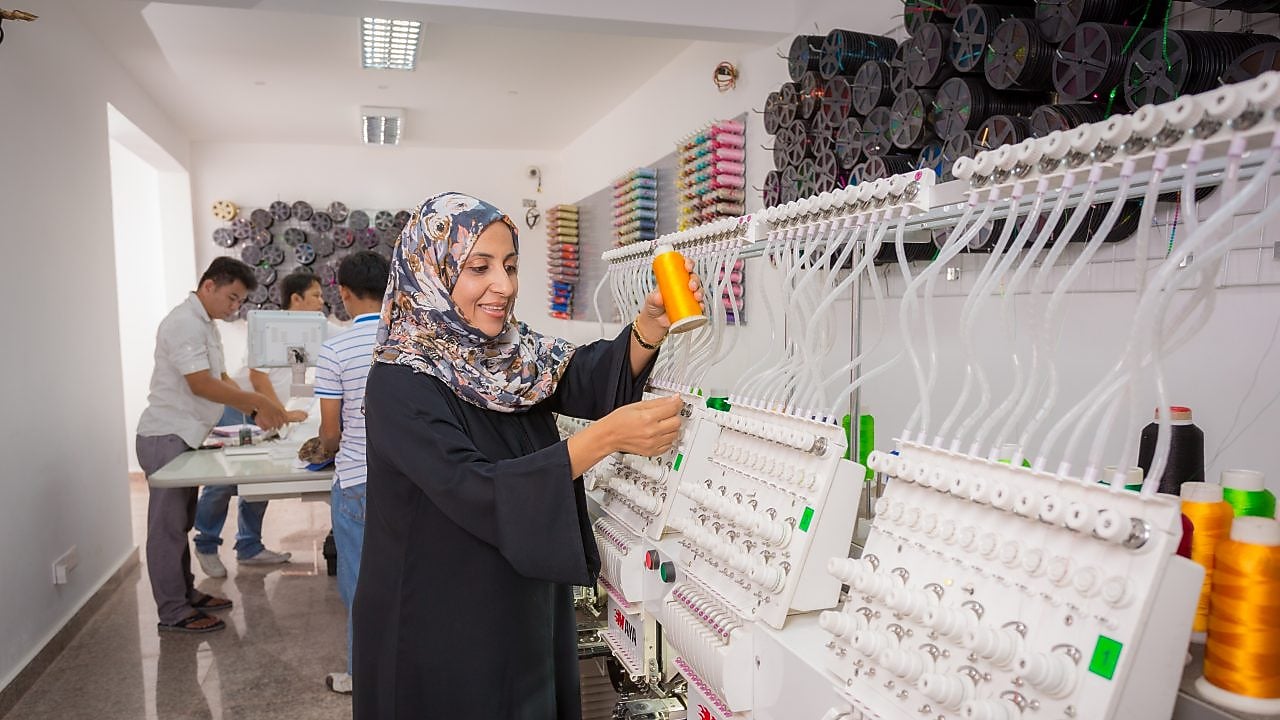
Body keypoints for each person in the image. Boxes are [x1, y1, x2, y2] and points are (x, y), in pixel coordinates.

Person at [352, 193, 698, 718]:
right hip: (440, 617)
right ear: (432, 271)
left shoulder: (508, 357)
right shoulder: (400, 384)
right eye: (478, 267)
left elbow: (579, 375)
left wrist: (647, 330)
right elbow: (476, 488)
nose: (504, 286)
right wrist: (603, 438)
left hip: (520, 597)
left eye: (511, 266)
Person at [136, 257, 288, 634]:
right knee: (167, 528)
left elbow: (221, 378)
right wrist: (260, 403)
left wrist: (256, 410)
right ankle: (173, 610)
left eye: (240, 301)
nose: (234, 307)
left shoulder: (205, 324)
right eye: (232, 297)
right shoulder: (183, 323)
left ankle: (186, 594)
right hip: (165, 435)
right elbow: (201, 384)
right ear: (209, 286)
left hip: (186, 436)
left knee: (180, 523)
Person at [192, 271, 323, 578]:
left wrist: (299, 412)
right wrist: (280, 413)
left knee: (260, 476)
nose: (321, 301)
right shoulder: (270, 328)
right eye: (316, 295)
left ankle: (249, 546)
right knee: (222, 480)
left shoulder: (304, 332)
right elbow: (258, 377)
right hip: (237, 409)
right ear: (296, 298)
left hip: (268, 411)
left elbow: (298, 378)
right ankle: (206, 543)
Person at [311, 251, 391, 695]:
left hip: (358, 484)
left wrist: (322, 450)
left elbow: (330, 433)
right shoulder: (409, 340)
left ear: (342, 293)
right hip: (408, 482)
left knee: (361, 587)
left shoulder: (336, 348)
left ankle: (363, 677)